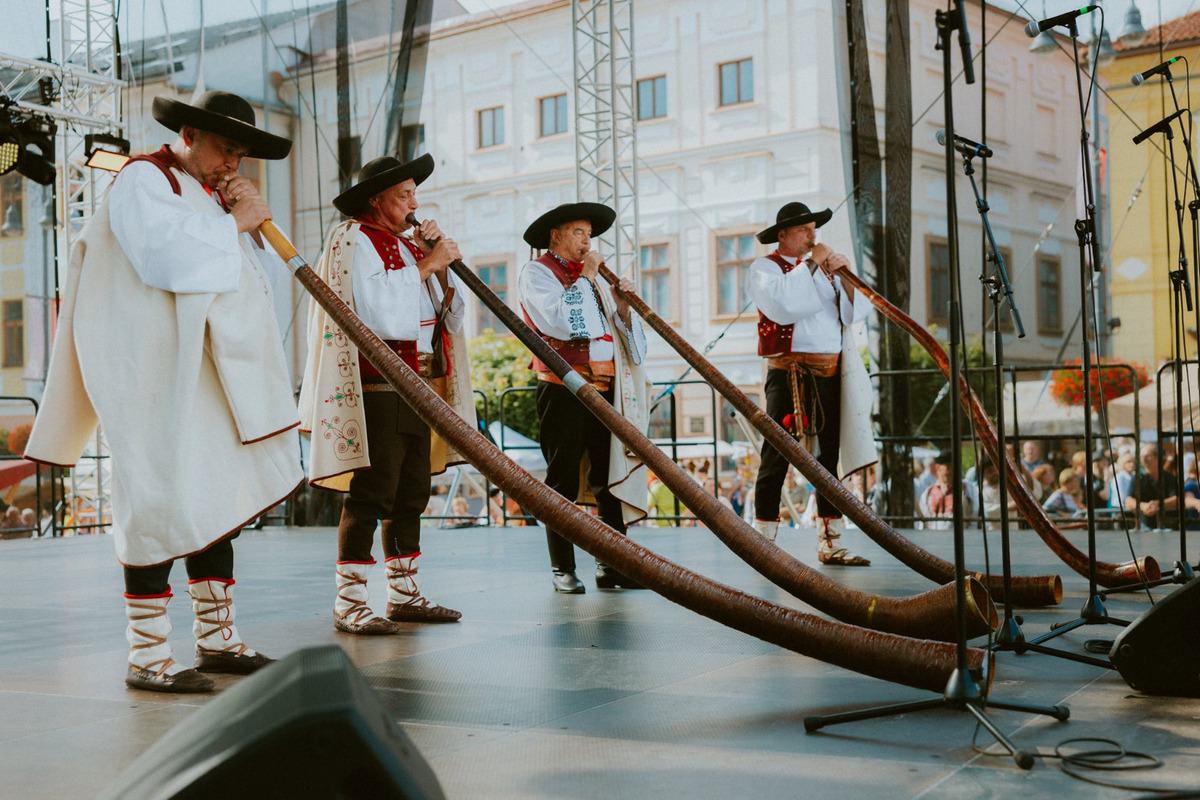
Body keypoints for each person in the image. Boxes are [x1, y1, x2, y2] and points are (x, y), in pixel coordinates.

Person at [25, 90, 302, 693]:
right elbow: (164, 261)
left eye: (241, 153)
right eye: (226, 148)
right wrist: (235, 224)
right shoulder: (142, 180)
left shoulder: (204, 193)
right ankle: (147, 655)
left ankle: (218, 639)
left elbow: (242, 282)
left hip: (205, 377)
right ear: (189, 134)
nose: (233, 162)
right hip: (155, 377)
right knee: (155, 503)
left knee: (216, 505)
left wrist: (238, 222)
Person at [298, 153, 475, 634]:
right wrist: (427, 264)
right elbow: (374, 308)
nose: (415, 203)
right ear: (376, 200)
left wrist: (440, 268)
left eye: (415, 193)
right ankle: (350, 600)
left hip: (417, 384)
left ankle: (404, 593)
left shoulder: (405, 244)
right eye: (405, 195)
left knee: (412, 492)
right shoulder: (353, 239)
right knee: (372, 491)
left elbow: (448, 318)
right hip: (376, 384)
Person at [517, 202, 650, 593]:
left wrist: (623, 308)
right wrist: (588, 276)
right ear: (555, 236)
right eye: (578, 233)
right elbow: (559, 321)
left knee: (607, 476)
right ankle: (563, 567)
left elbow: (617, 338)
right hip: (563, 389)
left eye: (589, 234)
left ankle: (614, 564)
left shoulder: (593, 279)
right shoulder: (537, 273)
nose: (587, 241)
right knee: (561, 480)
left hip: (606, 388)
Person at [748, 202, 873, 565]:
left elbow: (855, 313)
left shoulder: (822, 270)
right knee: (776, 454)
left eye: (813, 229)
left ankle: (831, 541)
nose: (812, 236)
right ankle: (764, 542)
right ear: (783, 235)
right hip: (787, 372)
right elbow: (785, 304)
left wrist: (846, 275)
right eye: (804, 230)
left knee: (827, 456)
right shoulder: (765, 269)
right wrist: (814, 262)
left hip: (828, 372)